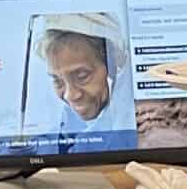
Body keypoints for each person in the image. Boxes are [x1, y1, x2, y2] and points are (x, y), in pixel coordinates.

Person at [35, 10, 131, 138]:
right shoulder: (64, 124)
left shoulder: (135, 128)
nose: (70, 95)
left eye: (82, 77)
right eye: (58, 80)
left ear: (113, 66)